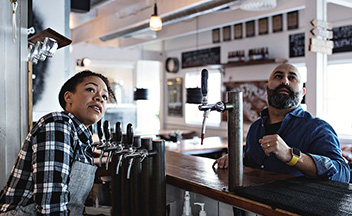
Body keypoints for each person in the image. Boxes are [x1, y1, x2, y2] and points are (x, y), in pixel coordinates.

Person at [0, 70, 116, 215]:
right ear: (68, 97)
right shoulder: (58, 125)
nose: (99, 98)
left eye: (105, 97)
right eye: (91, 89)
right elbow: (51, 203)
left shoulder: (81, 138)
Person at [213, 64, 350, 183]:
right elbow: (250, 162)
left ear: (302, 93)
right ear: (267, 88)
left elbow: (343, 175)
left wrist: (292, 156)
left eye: (292, 77)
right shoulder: (256, 127)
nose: (285, 81)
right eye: (278, 76)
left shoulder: (318, 128)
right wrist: (235, 159)